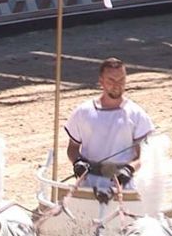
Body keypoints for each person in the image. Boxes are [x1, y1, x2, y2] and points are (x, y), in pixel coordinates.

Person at [65, 57, 154, 195]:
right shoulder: (83, 112)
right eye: (111, 80)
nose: (117, 85)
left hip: (122, 187)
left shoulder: (136, 114)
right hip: (88, 184)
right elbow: (73, 148)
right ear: (101, 81)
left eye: (121, 80)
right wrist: (77, 162)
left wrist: (129, 169)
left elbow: (140, 156)